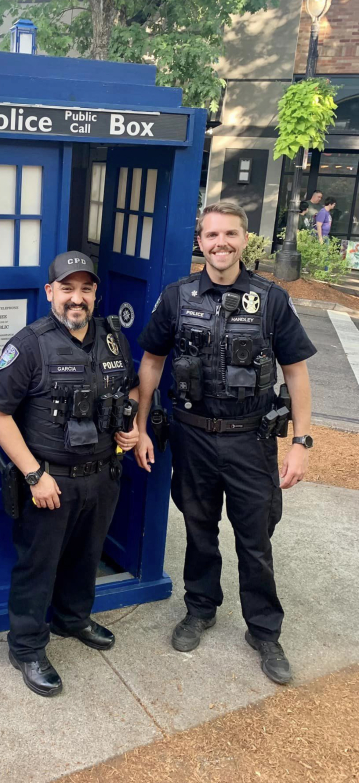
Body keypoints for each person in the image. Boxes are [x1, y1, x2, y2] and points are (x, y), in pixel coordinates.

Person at [135, 201, 316, 685]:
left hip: (249, 442)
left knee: (255, 539)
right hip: (192, 436)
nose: (221, 243)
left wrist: (300, 441)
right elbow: (151, 362)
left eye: (230, 234)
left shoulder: (271, 300)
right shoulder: (177, 297)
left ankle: (264, 630)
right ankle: (200, 608)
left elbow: (296, 373)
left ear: (244, 239)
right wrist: (141, 423)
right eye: (212, 235)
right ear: (201, 241)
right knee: (199, 528)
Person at [0, 252, 139, 697]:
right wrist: (33, 475)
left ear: (95, 294)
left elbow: (128, 387)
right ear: (50, 292)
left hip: (103, 474)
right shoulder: (29, 344)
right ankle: (27, 647)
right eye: (67, 288)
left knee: (86, 556)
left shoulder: (112, 339)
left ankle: (73, 619)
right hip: (49, 482)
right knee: (38, 567)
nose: (77, 298)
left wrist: (131, 428)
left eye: (86, 289)